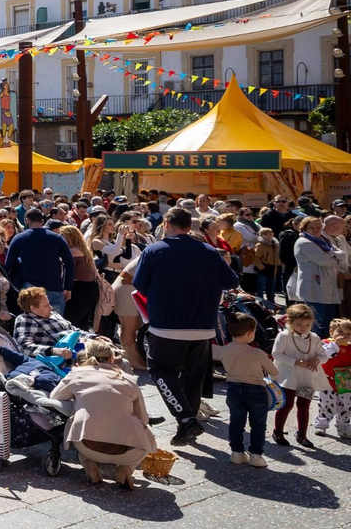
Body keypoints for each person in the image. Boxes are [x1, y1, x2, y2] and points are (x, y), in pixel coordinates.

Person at [133, 206, 237, 445]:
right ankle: (186, 421)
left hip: (166, 325)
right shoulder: (209, 251)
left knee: (161, 371)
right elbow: (231, 280)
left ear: (167, 223)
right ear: (190, 226)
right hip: (202, 326)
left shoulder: (154, 250)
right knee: (193, 376)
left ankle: (186, 418)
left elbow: (140, 284)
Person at [50, 338, 157, 488]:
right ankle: (125, 470)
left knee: (82, 423)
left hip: (86, 445)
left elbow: (55, 397)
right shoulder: (129, 380)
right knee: (146, 432)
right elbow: (143, 419)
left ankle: (89, 464)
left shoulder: (76, 374)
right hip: (128, 452)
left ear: (85, 356)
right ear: (112, 358)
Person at [212, 313, 282, 467]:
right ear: (250, 333)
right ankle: (256, 455)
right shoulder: (257, 353)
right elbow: (274, 372)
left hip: (233, 389)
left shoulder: (224, 350)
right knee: (258, 424)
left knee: (236, 422)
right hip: (256, 390)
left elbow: (210, 350)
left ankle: (237, 453)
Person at [272, 303, 330, 449]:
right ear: (290, 322)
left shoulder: (314, 337)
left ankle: (302, 434)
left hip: (307, 377)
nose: (303, 328)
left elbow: (323, 356)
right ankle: (278, 431)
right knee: (287, 404)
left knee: (304, 406)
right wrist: (295, 362)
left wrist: (316, 359)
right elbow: (276, 354)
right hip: (289, 377)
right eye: (299, 324)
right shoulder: (284, 336)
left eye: (307, 324)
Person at [4, 209, 73, 313]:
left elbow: (9, 264)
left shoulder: (19, 238)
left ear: (27, 220)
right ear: (42, 221)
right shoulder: (57, 238)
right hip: (54, 286)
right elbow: (69, 263)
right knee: (56, 326)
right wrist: (67, 287)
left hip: (30, 287)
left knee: (30, 324)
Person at [287, 217, 343, 337]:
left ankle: (326, 350)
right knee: (316, 324)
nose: (316, 229)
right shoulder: (304, 242)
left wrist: (331, 256)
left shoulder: (325, 240)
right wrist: (334, 257)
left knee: (328, 324)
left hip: (329, 289)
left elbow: (342, 254)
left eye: (318, 226)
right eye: (312, 227)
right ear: (304, 228)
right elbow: (325, 261)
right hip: (314, 288)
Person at [12, 286, 77, 362]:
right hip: (58, 361)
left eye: (49, 304)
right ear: (33, 308)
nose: (51, 308)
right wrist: (53, 351)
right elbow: (24, 347)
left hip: (78, 348)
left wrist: (92, 337)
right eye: (46, 306)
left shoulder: (53, 314)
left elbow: (74, 330)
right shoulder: (25, 319)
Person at [311, 318, 351, 439]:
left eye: (348, 333)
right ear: (331, 331)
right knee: (327, 403)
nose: (344, 336)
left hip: (345, 381)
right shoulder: (325, 344)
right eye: (340, 332)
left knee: (346, 404)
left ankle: (344, 427)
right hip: (327, 380)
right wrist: (336, 345)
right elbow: (324, 356)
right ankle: (321, 424)